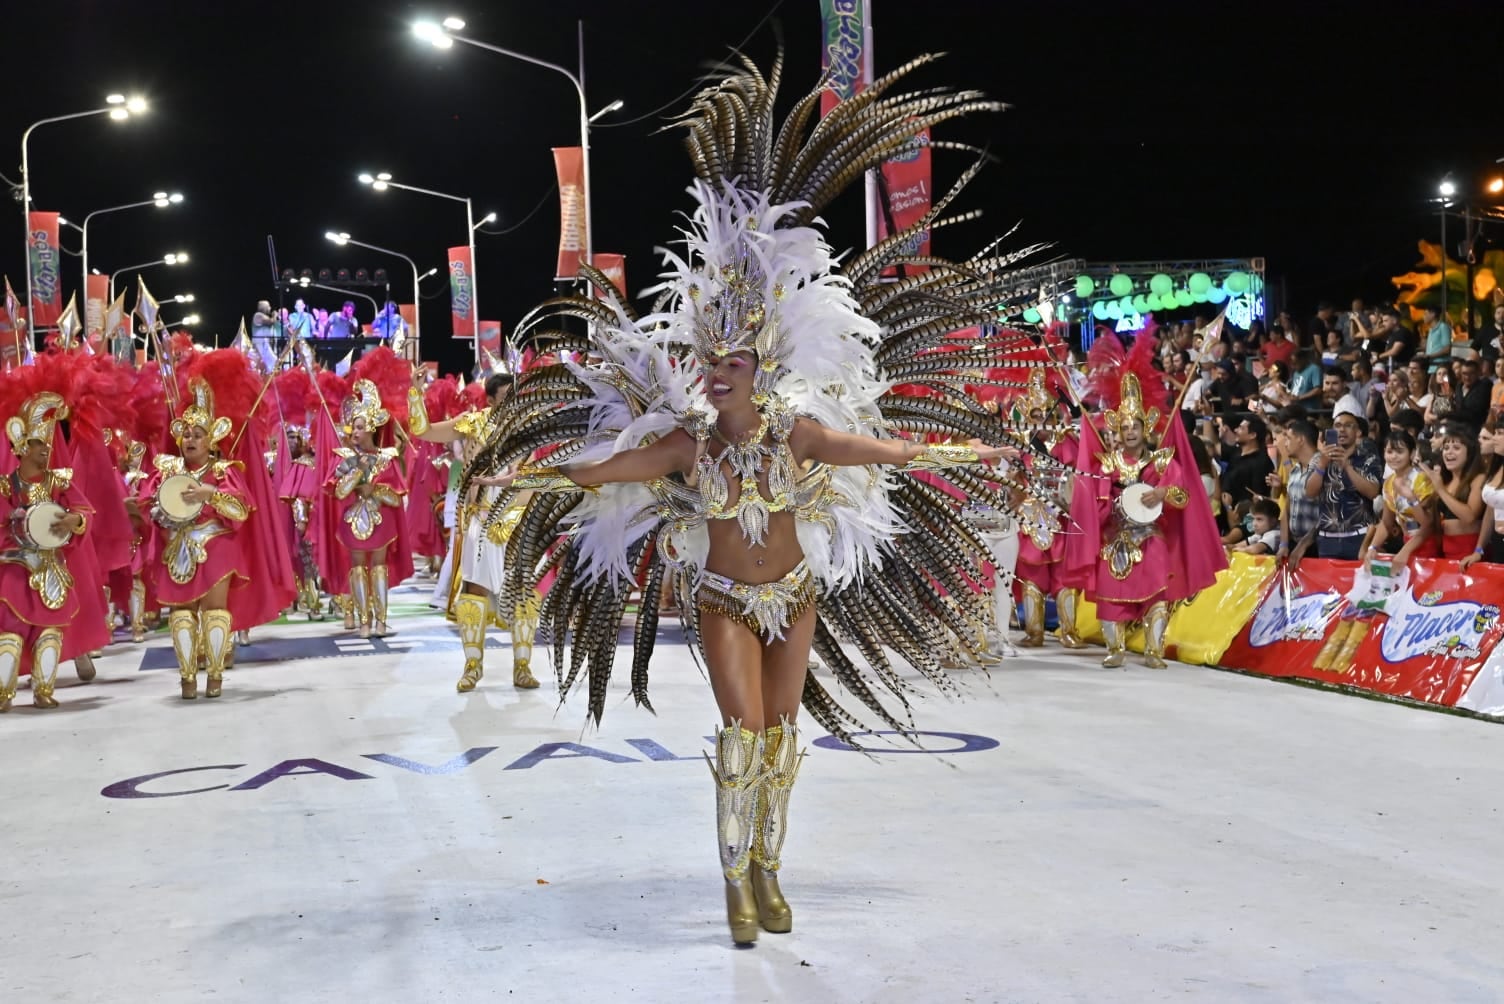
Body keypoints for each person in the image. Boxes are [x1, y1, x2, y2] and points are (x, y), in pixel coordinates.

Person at [461, 51, 1046, 946]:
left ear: (759, 367)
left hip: (796, 595)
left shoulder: (798, 434)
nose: (715, 374)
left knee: (781, 737)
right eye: (707, 363)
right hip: (725, 599)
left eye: (730, 363)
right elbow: (605, 471)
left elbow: (880, 446)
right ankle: (736, 882)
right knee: (741, 732)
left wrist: (967, 449)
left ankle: (770, 868)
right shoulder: (687, 445)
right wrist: (524, 472)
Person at [1064, 332, 1225, 669]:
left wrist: (1163, 492)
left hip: (1151, 537)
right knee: (1111, 598)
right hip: (1115, 537)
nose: (1131, 432)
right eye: (1124, 428)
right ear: (1118, 433)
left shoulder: (1162, 462)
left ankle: (1153, 650)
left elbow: (1182, 497)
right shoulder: (1107, 464)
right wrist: (1110, 496)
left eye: (1135, 426)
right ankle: (1115, 648)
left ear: (1145, 429)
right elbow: (1094, 501)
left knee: (1157, 595)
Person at [412, 371, 544, 691]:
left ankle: (522, 667)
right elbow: (424, 431)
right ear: (490, 399)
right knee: (474, 590)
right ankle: (473, 666)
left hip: (516, 516)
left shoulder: (527, 427)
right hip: (481, 517)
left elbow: (528, 471)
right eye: (506, 396)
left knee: (523, 590)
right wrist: (415, 394)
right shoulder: (472, 422)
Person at [138, 378, 251, 699]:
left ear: (211, 441)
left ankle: (215, 676)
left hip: (216, 546)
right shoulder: (167, 470)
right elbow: (149, 503)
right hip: (177, 548)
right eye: (186, 433)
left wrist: (210, 494)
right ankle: (187, 677)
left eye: (198, 435)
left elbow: (240, 509)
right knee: (181, 615)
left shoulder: (222, 471)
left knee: (214, 613)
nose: (190, 439)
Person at [0, 389, 92, 710]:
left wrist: (73, 520)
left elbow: (84, 512)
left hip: (51, 567)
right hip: (14, 566)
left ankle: (43, 689)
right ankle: (2, 693)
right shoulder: (5, 486)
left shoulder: (59, 482)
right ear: (23, 447)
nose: (47, 449)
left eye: (47, 443)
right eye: (40, 443)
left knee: (50, 631)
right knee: (10, 631)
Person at [324, 379, 408, 638]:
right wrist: (356, 473)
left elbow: (397, 496)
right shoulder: (342, 458)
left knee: (379, 566)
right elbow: (336, 490)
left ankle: (381, 619)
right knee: (357, 566)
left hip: (380, 516)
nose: (355, 432)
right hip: (352, 518)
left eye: (360, 427)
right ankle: (363, 620)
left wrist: (377, 490)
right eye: (353, 428)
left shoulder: (387, 458)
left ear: (371, 428)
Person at [1363, 429, 1436, 571]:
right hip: (1407, 542)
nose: (1394, 457)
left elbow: (1428, 525)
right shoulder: (1388, 484)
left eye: (1400, 452)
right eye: (1390, 452)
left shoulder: (1422, 479)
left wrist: (1405, 551)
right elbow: (1386, 522)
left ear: (1412, 453)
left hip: (1429, 544)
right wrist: (1373, 546)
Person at [1417, 421, 1485, 560]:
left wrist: (1440, 489)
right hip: (1446, 549)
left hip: (1470, 550)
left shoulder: (1478, 478)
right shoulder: (1445, 481)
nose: (1449, 452)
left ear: (1470, 451)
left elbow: (1469, 517)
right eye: (1446, 448)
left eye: (1456, 447)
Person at [1461, 424, 1504, 568]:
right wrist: (1479, 550)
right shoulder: (1497, 466)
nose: (1495, 438)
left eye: (1500, 433)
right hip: (1497, 542)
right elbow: (1490, 512)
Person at [1420, 305, 1454, 373]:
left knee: (1445, 383)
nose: (1423, 316)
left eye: (1425, 314)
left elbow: (1447, 349)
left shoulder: (1443, 327)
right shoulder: (1430, 330)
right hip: (1432, 367)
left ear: (1433, 314)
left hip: (1442, 367)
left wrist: (1429, 356)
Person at [250, 299, 279, 373]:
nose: (270, 308)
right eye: (268, 306)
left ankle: (268, 378)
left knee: (273, 361)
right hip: (259, 343)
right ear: (264, 307)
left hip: (265, 343)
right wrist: (275, 315)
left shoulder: (264, 316)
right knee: (262, 362)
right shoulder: (258, 315)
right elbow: (271, 322)